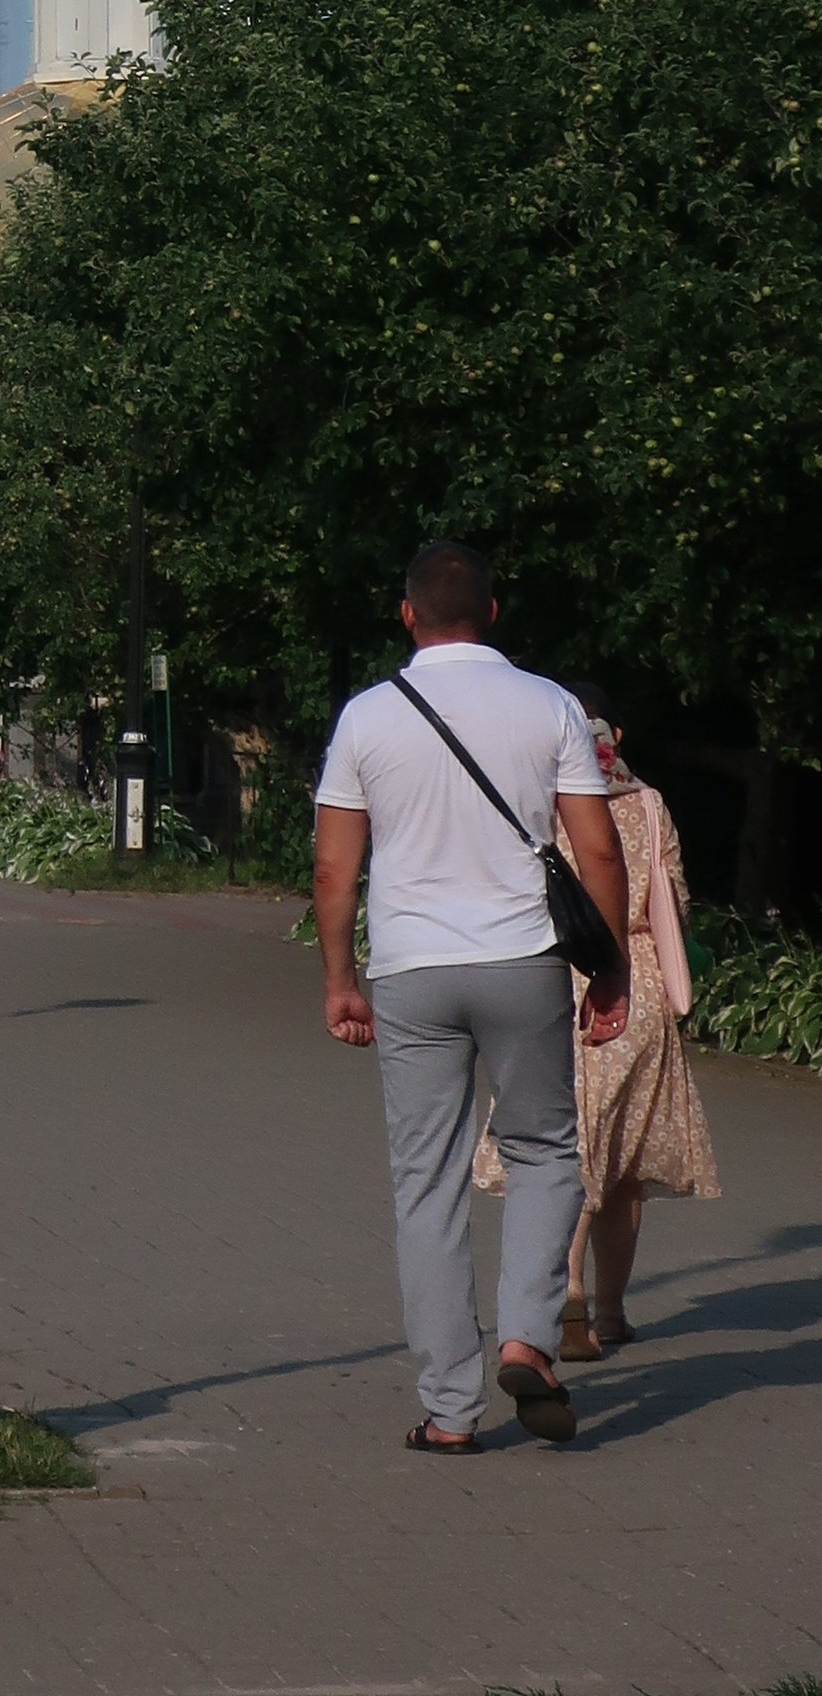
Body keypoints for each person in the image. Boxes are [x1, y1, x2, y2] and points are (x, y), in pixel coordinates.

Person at [313, 540, 630, 1455]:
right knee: (543, 1150)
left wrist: (341, 979)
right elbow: (598, 851)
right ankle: (530, 1332)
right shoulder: (550, 706)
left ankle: (450, 1413)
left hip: (410, 969)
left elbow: (336, 867)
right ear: (493, 612)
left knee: (427, 1181)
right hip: (524, 960)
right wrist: (605, 968)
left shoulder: (368, 717)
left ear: (406, 615)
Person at [473, 712, 720, 1356]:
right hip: (636, 983)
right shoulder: (648, 803)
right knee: (625, 1163)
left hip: (559, 976)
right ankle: (610, 1311)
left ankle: (570, 1294)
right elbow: (678, 895)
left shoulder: (541, 800)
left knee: (569, 1144)